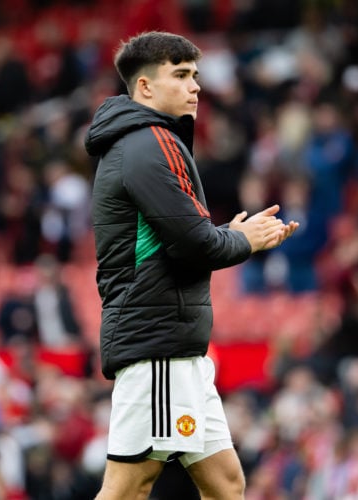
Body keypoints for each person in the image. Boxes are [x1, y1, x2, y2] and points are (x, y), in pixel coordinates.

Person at [84, 31, 299, 499]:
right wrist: (241, 240)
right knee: (128, 488)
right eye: (180, 75)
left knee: (226, 483)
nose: (195, 86)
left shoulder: (143, 142)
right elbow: (194, 245)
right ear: (144, 88)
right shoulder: (147, 142)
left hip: (177, 347)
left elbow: (178, 238)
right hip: (158, 345)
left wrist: (235, 236)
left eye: (195, 76)